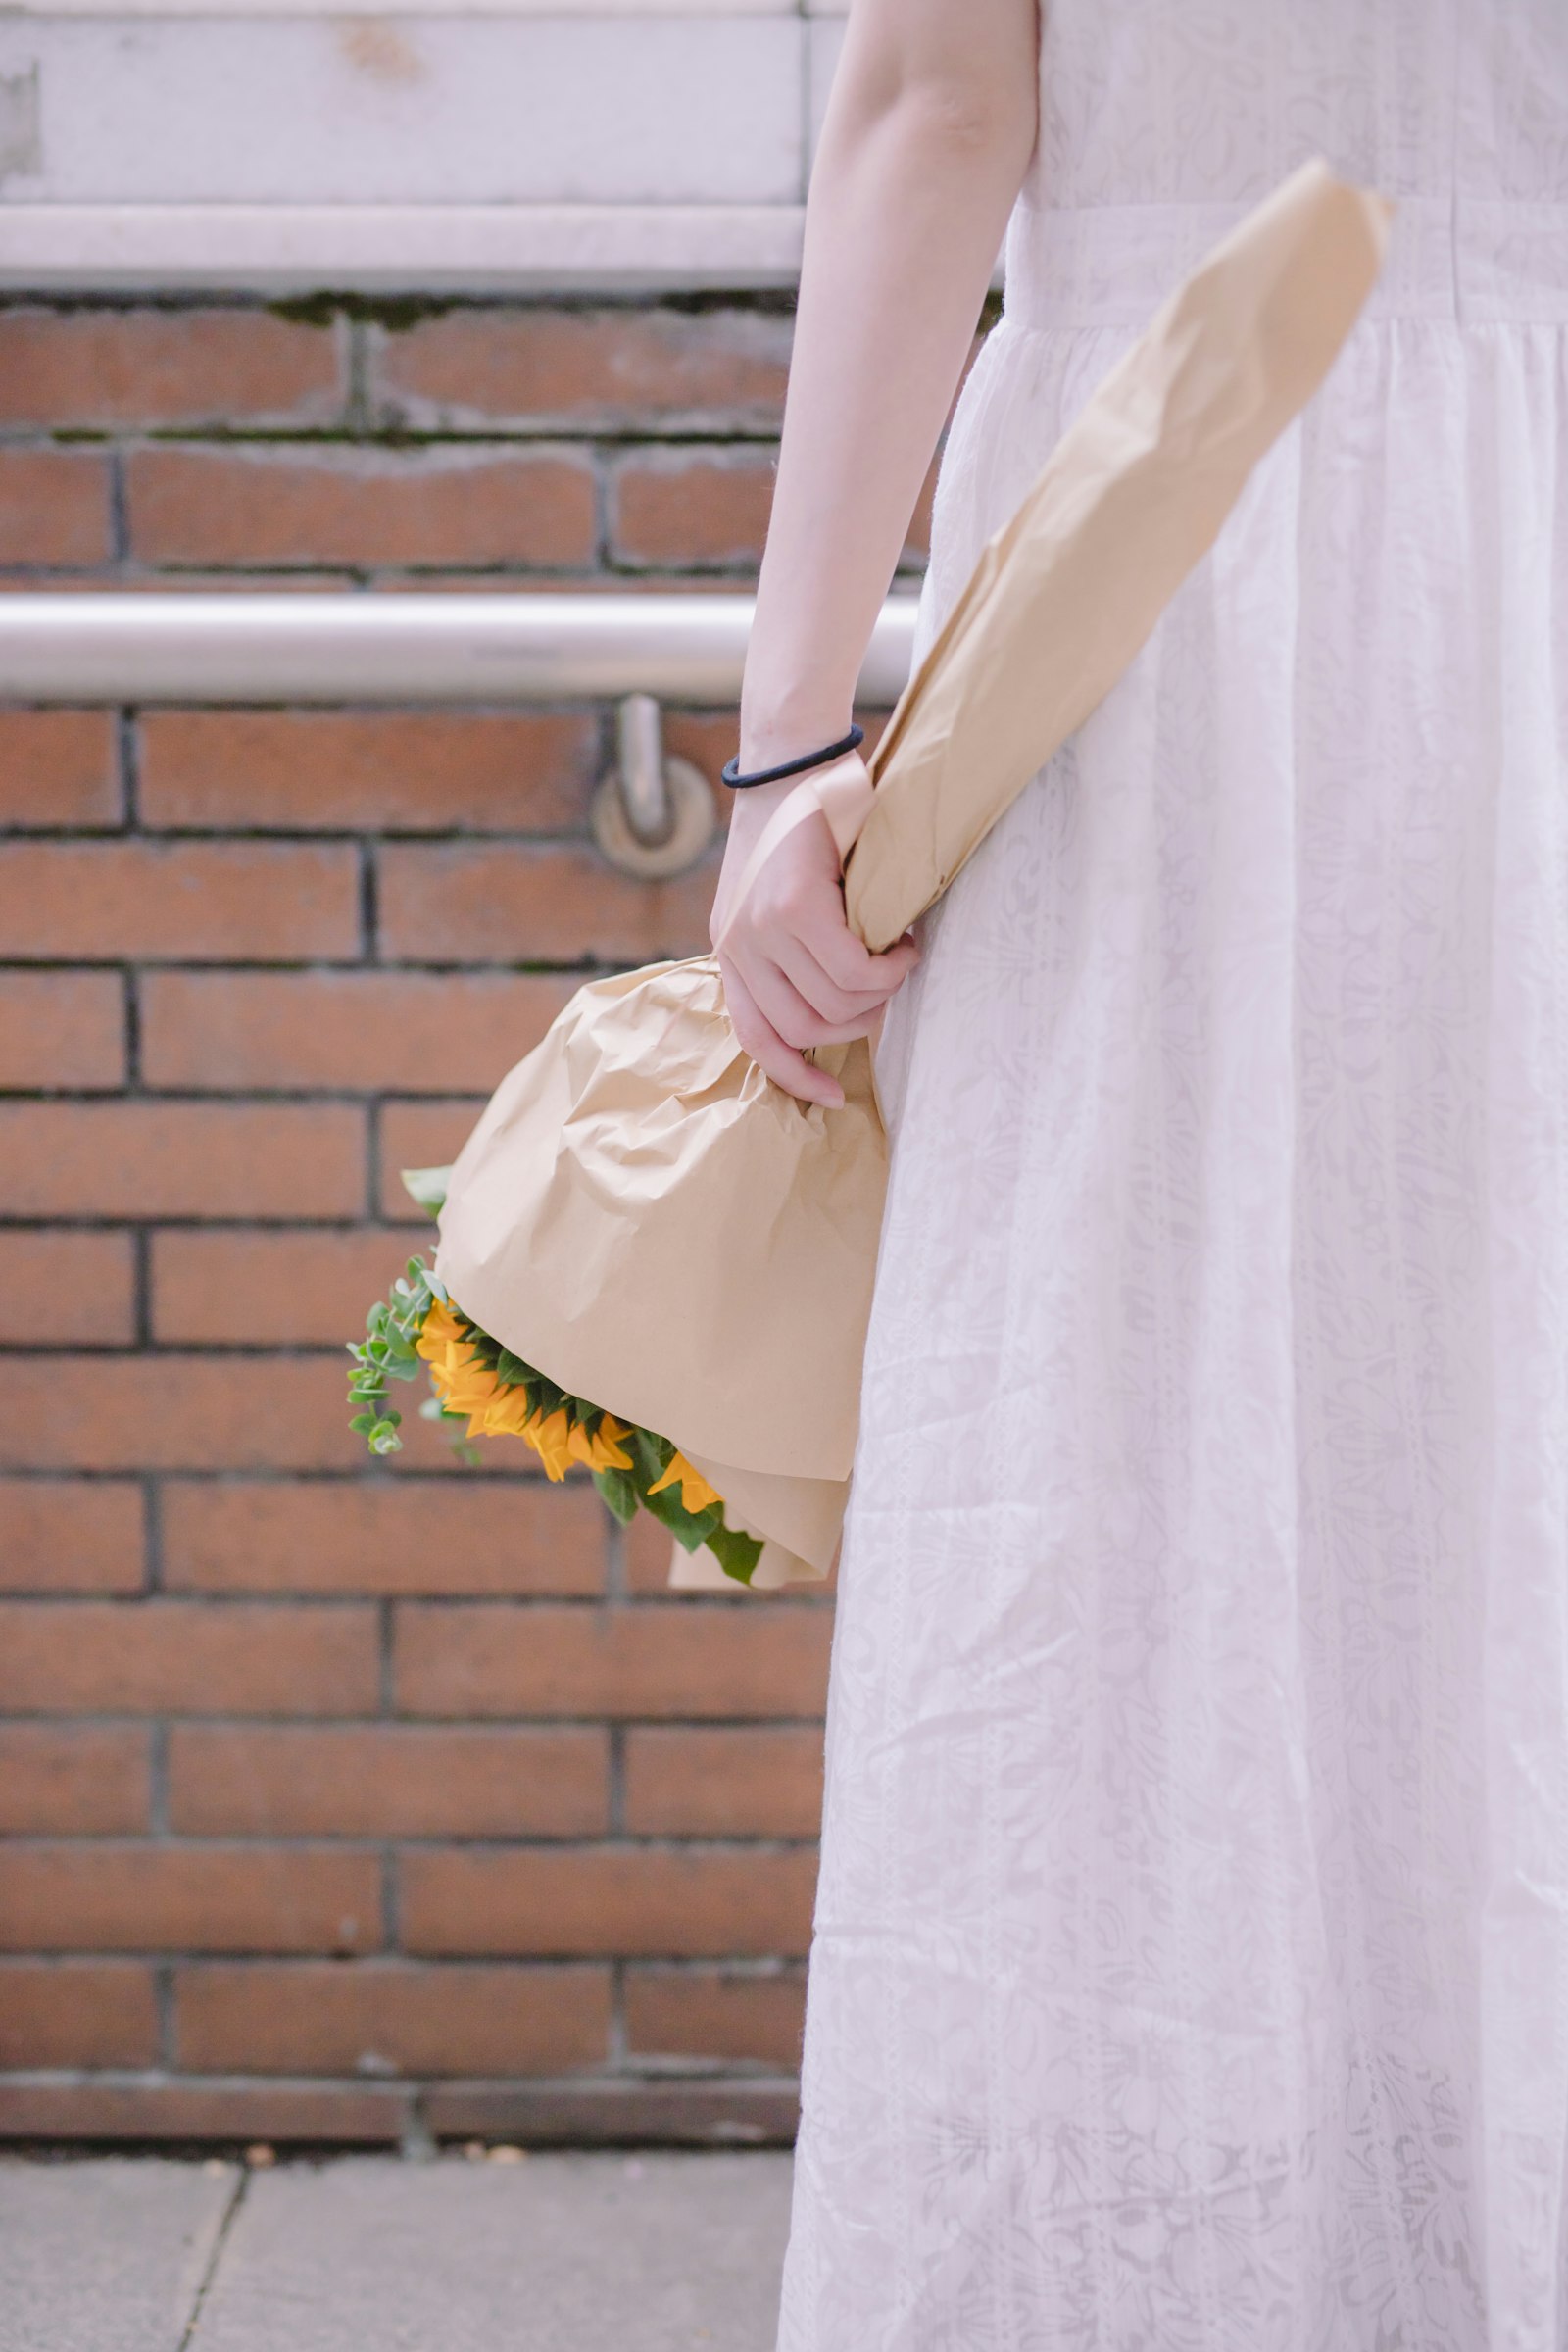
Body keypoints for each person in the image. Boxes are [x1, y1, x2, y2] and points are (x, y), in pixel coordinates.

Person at [712, 2, 1568, 2347]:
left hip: (1155, 556)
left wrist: (790, 738)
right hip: (1514, 568)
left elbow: (935, 95)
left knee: (1108, 1471)